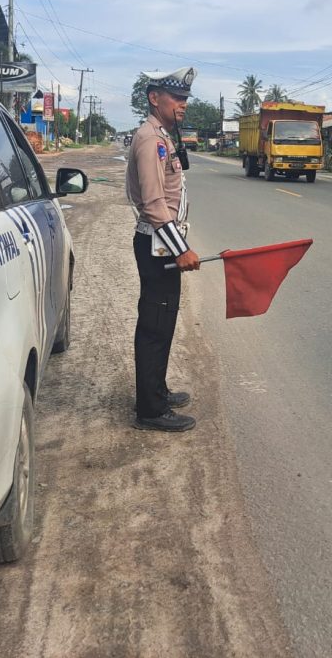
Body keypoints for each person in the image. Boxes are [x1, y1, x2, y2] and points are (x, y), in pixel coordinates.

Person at [125, 67, 201, 432]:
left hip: (163, 244)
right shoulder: (149, 139)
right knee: (155, 325)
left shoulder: (164, 137)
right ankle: (150, 410)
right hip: (157, 246)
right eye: (177, 98)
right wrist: (181, 250)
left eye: (186, 99)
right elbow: (154, 205)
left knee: (163, 321)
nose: (183, 105)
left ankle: (156, 390)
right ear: (155, 98)